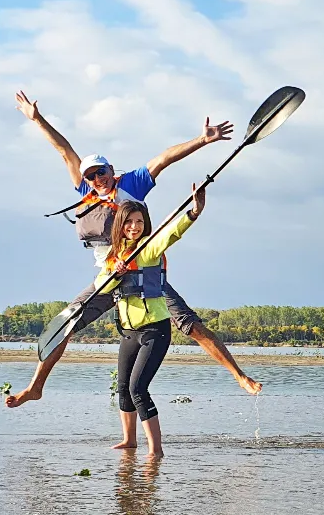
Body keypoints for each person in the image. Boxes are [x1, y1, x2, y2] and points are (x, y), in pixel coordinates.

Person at [5, 91, 261, 408]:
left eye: (101, 171)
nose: (97, 178)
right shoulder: (85, 191)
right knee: (66, 323)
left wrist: (202, 140)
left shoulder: (132, 184)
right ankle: (35, 387)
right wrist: (37, 119)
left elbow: (163, 158)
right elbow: (63, 150)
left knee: (189, 324)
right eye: (91, 175)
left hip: (144, 270)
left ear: (111, 169)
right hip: (110, 276)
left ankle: (239, 376)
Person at [97, 195, 204, 455]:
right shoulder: (113, 256)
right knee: (122, 388)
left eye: (139, 222)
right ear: (120, 225)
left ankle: (156, 450)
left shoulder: (150, 247)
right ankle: (129, 440)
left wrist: (193, 212)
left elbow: (171, 234)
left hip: (155, 329)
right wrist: (116, 273)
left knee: (138, 388)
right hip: (129, 332)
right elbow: (103, 285)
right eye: (129, 222)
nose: (134, 227)